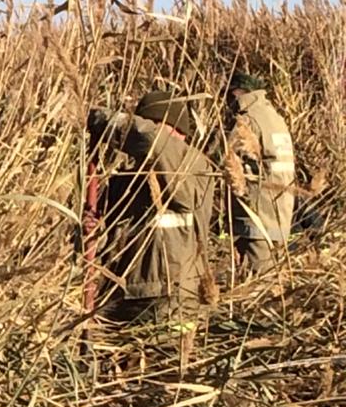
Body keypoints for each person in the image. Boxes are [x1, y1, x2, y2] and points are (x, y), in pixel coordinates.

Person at [86, 91, 215, 329]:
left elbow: (151, 140)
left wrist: (103, 119)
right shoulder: (129, 177)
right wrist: (92, 229)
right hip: (124, 294)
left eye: (153, 122)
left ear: (174, 129)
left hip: (172, 299)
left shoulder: (190, 163)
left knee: (165, 363)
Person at [223, 72, 296, 276]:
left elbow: (229, 161)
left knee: (255, 282)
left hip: (256, 218)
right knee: (273, 282)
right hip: (280, 214)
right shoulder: (274, 117)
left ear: (236, 93)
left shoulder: (248, 120)